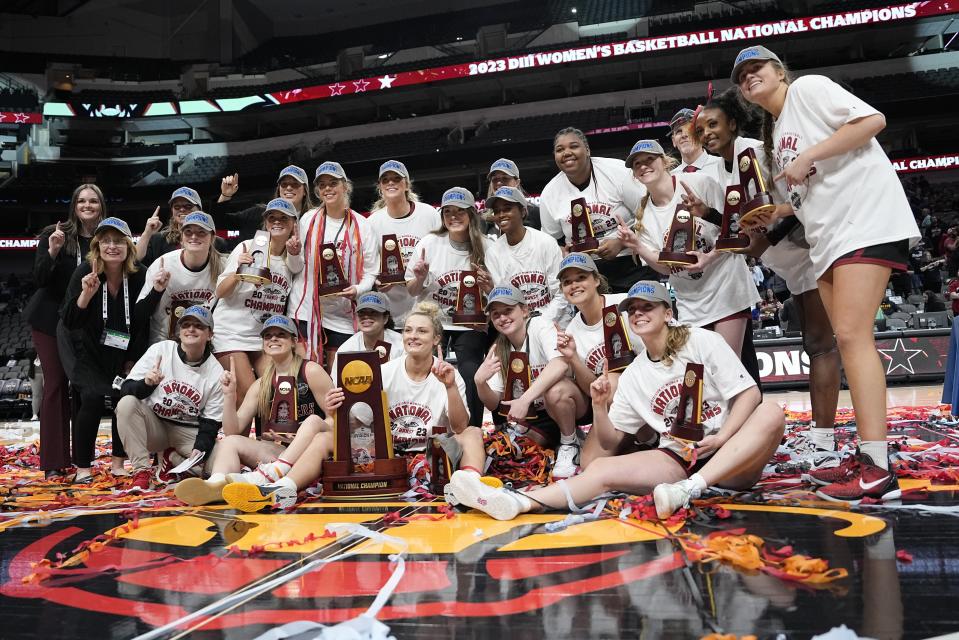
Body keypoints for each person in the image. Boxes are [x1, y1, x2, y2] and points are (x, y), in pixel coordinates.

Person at [734, 44, 919, 501]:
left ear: (780, 72)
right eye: (741, 76)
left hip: (864, 222)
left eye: (757, 67)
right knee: (847, 341)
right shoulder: (777, 134)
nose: (749, 77)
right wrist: (774, 210)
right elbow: (806, 193)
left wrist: (807, 155)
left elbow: (872, 121)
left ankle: (878, 469)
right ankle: (867, 454)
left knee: (854, 338)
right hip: (830, 235)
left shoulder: (809, 90)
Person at [444, 280, 786, 520]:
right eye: (632, 310)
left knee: (770, 411)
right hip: (679, 457)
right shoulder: (635, 372)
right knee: (601, 468)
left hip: (730, 457)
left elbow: (749, 394)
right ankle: (517, 501)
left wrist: (723, 437)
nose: (637, 314)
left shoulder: (702, 341)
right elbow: (608, 440)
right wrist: (597, 404)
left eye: (647, 307)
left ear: (668, 313)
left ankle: (694, 487)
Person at [220, 301, 484, 512]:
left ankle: (471, 485)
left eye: (422, 331)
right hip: (388, 453)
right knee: (324, 437)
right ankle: (284, 487)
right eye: (408, 330)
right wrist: (337, 407)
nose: (413, 336)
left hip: (428, 456)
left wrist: (449, 386)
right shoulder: (385, 371)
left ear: (437, 338)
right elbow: (358, 420)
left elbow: (460, 427)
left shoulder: (448, 374)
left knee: (473, 433)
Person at [690, 85, 839, 434]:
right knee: (813, 344)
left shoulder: (754, 152)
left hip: (810, 255)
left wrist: (765, 242)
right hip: (789, 265)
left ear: (733, 124)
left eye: (713, 125)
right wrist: (710, 214)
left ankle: (824, 439)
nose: (706, 133)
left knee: (820, 345)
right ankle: (822, 436)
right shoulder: (721, 169)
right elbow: (745, 223)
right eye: (701, 130)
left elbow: (798, 204)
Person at [616, 139, 760, 366]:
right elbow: (664, 267)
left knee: (727, 368)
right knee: (705, 372)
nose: (643, 166)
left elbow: (736, 230)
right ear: (634, 174)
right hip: (691, 303)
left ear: (664, 161)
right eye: (637, 164)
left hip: (726, 288)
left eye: (649, 159)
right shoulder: (643, 215)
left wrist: (709, 257)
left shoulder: (698, 183)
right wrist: (637, 246)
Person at [174, 315, 333, 506]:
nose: (273, 339)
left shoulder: (311, 371)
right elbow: (234, 430)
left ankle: (276, 475)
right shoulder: (261, 384)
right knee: (230, 441)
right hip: (281, 452)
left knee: (313, 420)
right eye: (268, 336)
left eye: (280, 335)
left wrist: (302, 437)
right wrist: (230, 395)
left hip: (313, 449)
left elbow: (333, 420)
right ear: (263, 344)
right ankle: (216, 485)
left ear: (293, 341)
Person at [61, 218, 152, 482]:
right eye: (106, 241)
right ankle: (83, 468)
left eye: (118, 241)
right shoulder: (84, 272)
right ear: (97, 245)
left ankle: (118, 464)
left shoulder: (140, 275)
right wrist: (86, 295)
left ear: (128, 245)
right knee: (91, 398)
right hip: (88, 352)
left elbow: (142, 322)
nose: (112, 246)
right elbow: (68, 320)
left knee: (122, 398)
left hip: (124, 353)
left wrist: (133, 359)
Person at [26, 183, 104, 479]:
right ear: (74, 205)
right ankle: (53, 463)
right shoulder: (54, 234)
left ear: (101, 205)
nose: (87, 205)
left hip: (83, 323)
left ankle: (81, 460)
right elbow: (40, 278)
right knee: (56, 384)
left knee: (84, 389)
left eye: (93, 201)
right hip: (48, 320)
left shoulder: (106, 238)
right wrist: (53, 251)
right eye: (81, 200)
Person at [474, 285, 587, 478]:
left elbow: (560, 364)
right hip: (535, 417)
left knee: (556, 390)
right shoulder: (500, 347)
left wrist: (525, 399)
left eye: (508, 310)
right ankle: (558, 444)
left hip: (570, 404)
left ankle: (570, 442)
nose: (502, 318)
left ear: (524, 310)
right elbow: (493, 402)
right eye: (496, 314)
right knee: (508, 453)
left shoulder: (540, 325)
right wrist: (479, 382)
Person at [406, 187, 492, 428]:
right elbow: (412, 290)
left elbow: (496, 294)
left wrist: (489, 286)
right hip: (434, 320)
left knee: (470, 371)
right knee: (426, 371)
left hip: (470, 323)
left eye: (460, 212)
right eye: (448, 212)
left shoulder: (486, 246)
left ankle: (473, 430)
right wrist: (420, 277)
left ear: (471, 214)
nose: (453, 217)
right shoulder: (429, 243)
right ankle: (430, 428)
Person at [115, 305, 225, 492]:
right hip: (155, 426)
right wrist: (146, 384)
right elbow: (125, 389)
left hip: (188, 432)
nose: (191, 329)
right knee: (126, 404)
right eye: (186, 325)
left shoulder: (216, 372)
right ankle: (142, 472)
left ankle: (172, 458)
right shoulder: (161, 350)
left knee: (219, 468)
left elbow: (211, 423)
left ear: (210, 335)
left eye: (198, 326)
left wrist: (200, 449)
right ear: (179, 332)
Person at [552, 252, 641, 470]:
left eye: (581, 278)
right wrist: (572, 358)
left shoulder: (623, 304)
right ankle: (636, 442)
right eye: (567, 282)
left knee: (612, 381)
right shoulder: (572, 329)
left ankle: (647, 436)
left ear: (596, 280)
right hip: (613, 407)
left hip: (646, 390)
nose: (574, 285)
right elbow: (590, 386)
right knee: (589, 463)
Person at [538, 127, 655, 292]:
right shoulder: (549, 193)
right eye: (560, 150)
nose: (567, 153)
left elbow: (651, 212)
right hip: (586, 273)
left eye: (573, 146)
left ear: (587, 150)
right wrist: (563, 253)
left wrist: (622, 242)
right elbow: (550, 242)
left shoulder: (617, 171)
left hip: (632, 261)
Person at [212, 198, 304, 406]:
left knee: (280, 389)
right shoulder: (246, 247)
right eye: (272, 218)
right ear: (265, 222)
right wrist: (238, 272)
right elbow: (220, 291)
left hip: (263, 337)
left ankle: (266, 438)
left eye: (283, 218)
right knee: (247, 393)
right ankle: (236, 439)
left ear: (293, 225)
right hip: (231, 334)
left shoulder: (293, 259)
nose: (277, 222)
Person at [288, 161, 377, 368]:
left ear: (345, 186)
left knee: (340, 376)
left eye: (333, 183)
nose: (327, 188)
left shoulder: (362, 225)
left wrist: (358, 289)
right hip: (306, 310)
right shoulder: (308, 220)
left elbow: (371, 272)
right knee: (307, 376)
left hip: (343, 313)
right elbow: (296, 268)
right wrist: (293, 254)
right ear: (318, 191)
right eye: (322, 185)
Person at [367, 160, 441, 326]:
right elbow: (369, 265)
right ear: (380, 187)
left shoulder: (429, 214)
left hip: (427, 307)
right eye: (385, 180)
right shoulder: (372, 223)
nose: (391, 182)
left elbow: (442, 254)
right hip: (392, 310)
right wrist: (376, 282)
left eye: (396, 178)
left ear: (407, 185)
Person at [137, 211, 225, 345]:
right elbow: (139, 315)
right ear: (182, 237)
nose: (194, 236)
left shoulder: (223, 267)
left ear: (212, 237)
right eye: (188, 232)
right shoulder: (163, 264)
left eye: (201, 232)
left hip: (207, 345)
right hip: (164, 343)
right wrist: (156, 291)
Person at [483, 186, 567, 322]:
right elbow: (505, 304)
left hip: (555, 322)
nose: (501, 214)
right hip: (519, 326)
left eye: (507, 208)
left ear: (523, 211)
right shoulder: (493, 253)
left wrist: (541, 324)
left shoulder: (546, 242)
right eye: (497, 211)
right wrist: (491, 290)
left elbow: (560, 294)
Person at [214, 165, 315, 240]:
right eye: (284, 184)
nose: (288, 188)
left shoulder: (314, 218)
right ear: (279, 189)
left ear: (305, 190)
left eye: (295, 184)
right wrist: (225, 195)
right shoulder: (259, 214)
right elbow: (219, 223)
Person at [136, 187, 226, 266]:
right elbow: (134, 262)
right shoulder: (158, 240)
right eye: (177, 207)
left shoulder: (217, 242)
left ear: (199, 209)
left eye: (188, 206)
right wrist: (147, 233)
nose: (182, 209)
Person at [331, 291, 404, 373]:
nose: (366, 316)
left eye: (373, 312)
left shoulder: (401, 344)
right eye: (361, 312)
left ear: (385, 318)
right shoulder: (346, 350)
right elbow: (337, 384)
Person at [485, 158, 541, 230]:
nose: (499, 183)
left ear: (517, 182)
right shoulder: (484, 220)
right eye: (495, 179)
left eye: (505, 178)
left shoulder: (535, 213)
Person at [668, 108, 723, 176]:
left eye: (689, 130)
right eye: (679, 131)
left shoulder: (723, 165)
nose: (684, 135)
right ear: (673, 141)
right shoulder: (671, 178)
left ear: (701, 134)